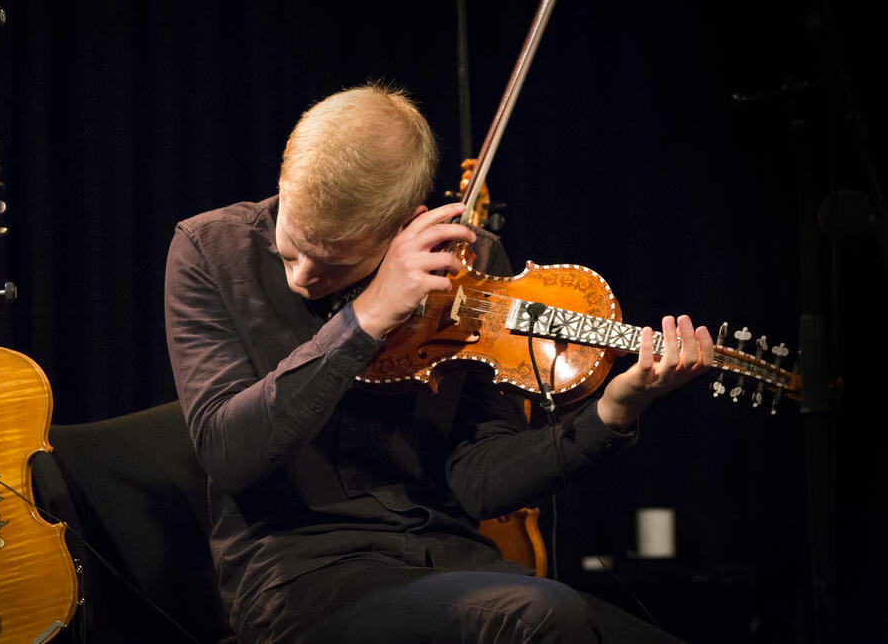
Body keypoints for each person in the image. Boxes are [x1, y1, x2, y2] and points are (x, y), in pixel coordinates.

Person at [164, 84, 714, 643]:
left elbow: (477, 484)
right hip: (300, 577)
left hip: (450, 560)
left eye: (335, 263)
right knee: (543, 618)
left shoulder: (466, 267)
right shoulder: (209, 251)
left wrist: (613, 413)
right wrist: (365, 315)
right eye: (291, 248)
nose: (301, 277)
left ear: (408, 225)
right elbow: (229, 454)